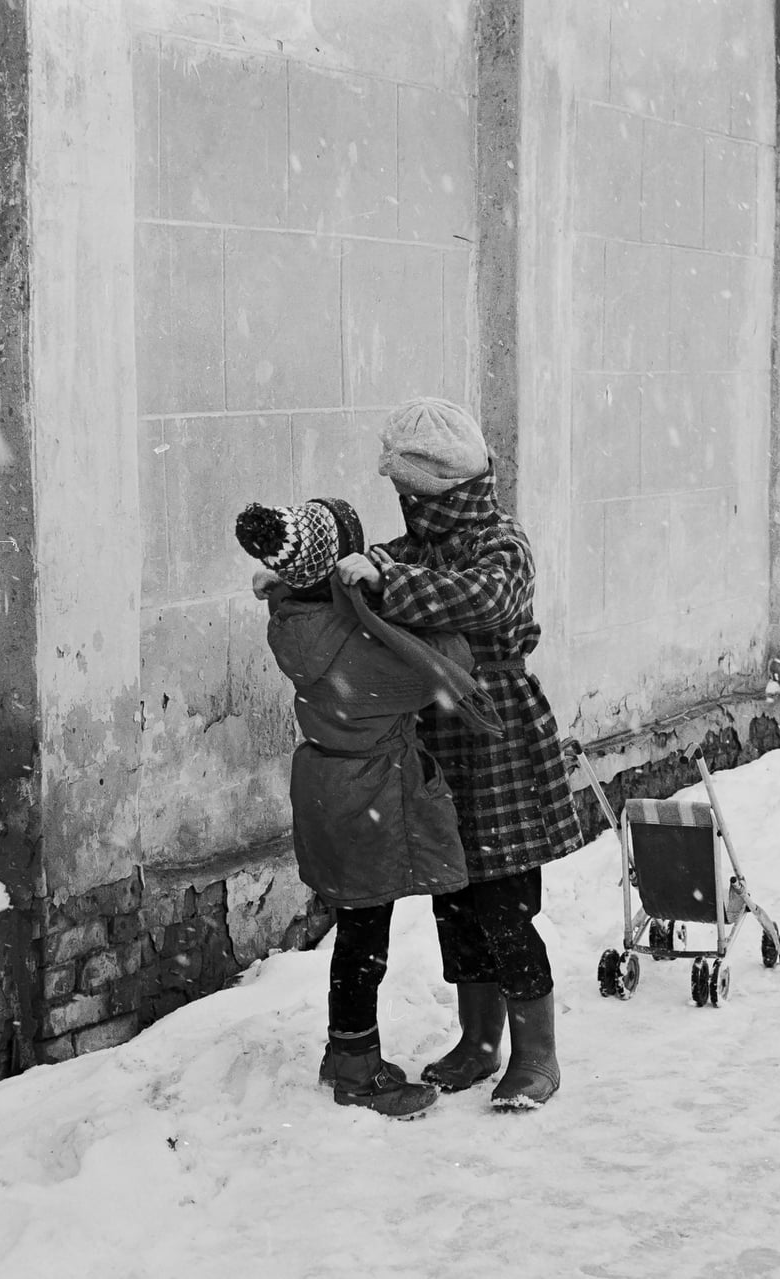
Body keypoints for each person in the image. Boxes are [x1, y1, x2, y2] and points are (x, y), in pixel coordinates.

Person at [336, 397, 585, 1111]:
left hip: (499, 741)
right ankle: (480, 1038)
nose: (403, 507)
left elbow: (482, 600)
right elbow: (370, 576)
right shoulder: (410, 551)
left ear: (438, 487)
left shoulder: (502, 545)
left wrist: (390, 585)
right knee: (456, 901)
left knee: (504, 905)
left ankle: (537, 1055)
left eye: (409, 492)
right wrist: (305, 584)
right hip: (440, 743)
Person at [236, 495, 496, 1120]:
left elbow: (310, 598)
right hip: (369, 794)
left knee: (357, 930)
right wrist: (392, 598)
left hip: (332, 789)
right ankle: (357, 1070)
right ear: (332, 569)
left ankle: (344, 1050)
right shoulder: (355, 651)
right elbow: (449, 665)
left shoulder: (299, 622)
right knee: (364, 939)